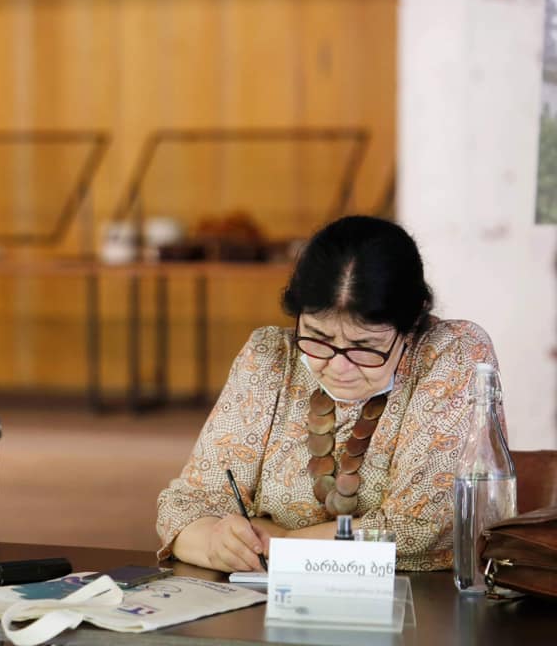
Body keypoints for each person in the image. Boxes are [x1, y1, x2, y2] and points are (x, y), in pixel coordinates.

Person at [156, 215, 503, 572]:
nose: (338, 367)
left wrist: (280, 542)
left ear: (411, 322)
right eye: (318, 337)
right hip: (270, 598)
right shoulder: (270, 356)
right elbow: (184, 507)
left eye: (365, 346)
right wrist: (215, 542)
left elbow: (421, 530)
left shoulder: (452, 352)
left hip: (418, 601)